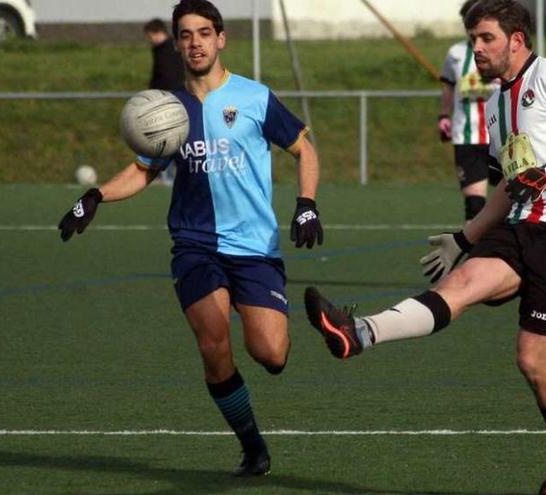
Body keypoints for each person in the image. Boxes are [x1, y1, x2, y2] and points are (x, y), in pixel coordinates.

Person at [304, 1, 546, 494]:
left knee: (532, 358)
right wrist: (464, 237)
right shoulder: (495, 104)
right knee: (457, 284)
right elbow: (506, 185)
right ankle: (359, 333)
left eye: (485, 38)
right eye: (472, 39)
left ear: (516, 40)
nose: (475, 48)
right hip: (522, 224)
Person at [59, 0, 324, 478]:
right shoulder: (169, 110)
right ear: (177, 43)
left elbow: (304, 148)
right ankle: (252, 446)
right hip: (195, 245)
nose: (195, 42)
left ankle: (256, 320)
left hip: (254, 247)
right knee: (213, 345)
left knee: (272, 354)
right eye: (186, 34)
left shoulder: (254, 97)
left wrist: (306, 203)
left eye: (204, 33)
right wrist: (95, 196)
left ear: (221, 38)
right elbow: (143, 172)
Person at [438, 0, 502, 221]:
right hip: (467, 136)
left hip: (502, 136)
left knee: (518, 198)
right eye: (468, 23)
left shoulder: (502, 49)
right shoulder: (456, 53)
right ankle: (477, 253)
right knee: (475, 205)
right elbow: (448, 86)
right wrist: (443, 116)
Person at [144, 18, 185, 185]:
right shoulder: (161, 49)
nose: (149, 39)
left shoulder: (169, 48)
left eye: (149, 35)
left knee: (169, 138)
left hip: (169, 99)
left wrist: (160, 97)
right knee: (164, 139)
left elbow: (168, 76)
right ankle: (165, 175)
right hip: (165, 98)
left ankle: (167, 175)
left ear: (156, 32)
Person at [144, 18, 185, 92]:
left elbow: (165, 74)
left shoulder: (167, 50)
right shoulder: (171, 46)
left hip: (167, 91)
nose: (149, 40)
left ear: (157, 33)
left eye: (150, 37)